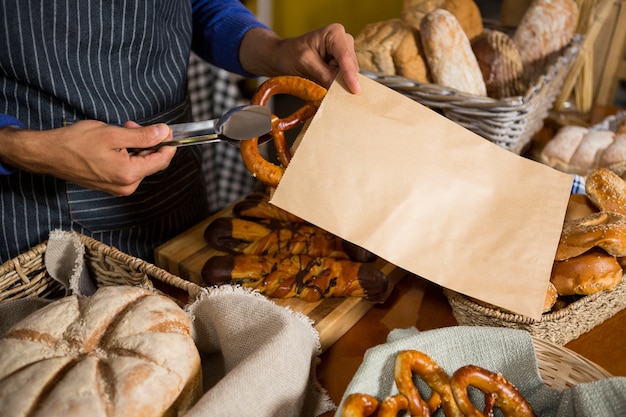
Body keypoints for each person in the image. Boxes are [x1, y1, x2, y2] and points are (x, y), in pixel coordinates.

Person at [0, 0, 361, 264]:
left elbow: (200, 5)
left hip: (178, 197)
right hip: (43, 224)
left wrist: (275, 50)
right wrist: (28, 148)